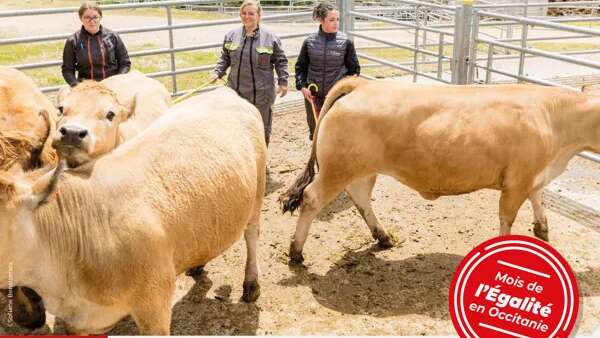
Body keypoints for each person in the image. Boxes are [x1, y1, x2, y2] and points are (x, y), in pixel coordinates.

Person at [212, 0, 289, 146]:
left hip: (261, 94)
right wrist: (218, 72)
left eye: (251, 14)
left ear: (259, 16)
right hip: (236, 92)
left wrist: (283, 82)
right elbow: (225, 58)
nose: (247, 16)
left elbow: (281, 61)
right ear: (240, 14)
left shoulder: (270, 37)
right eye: (244, 13)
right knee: (236, 127)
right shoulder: (231, 35)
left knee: (261, 129)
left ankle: (261, 163)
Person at [295, 2, 360, 140]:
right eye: (332, 19)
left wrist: (346, 90)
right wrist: (302, 87)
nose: (336, 23)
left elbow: (354, 70)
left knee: (337, 133)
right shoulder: (309, 42)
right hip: (313, 96)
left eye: (337, 19)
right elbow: (301, 67)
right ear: (321, 20)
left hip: (337, 98)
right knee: (316, 133)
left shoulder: (346, 42)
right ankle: (318, 160)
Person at [62, 1, 131, 87]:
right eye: (87, 17)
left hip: (112, 84)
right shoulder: (73, 41)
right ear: (81, 18)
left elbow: (125, 63)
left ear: (100, 17)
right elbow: (67, 70)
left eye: (95, 17)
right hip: (86, 87)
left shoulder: (113, 37)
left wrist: (118, 81)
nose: (92, 21)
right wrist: (77, 86)